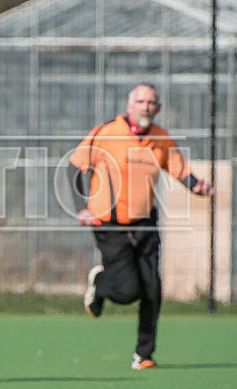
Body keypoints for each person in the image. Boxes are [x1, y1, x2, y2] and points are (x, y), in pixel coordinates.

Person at [68, 83, 214, 370]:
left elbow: (180, 170)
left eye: (152, 102)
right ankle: (100, 283)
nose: (146, 106)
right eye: (141, 101)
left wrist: (197, 186)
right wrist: (81, 208)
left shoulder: (161, 138)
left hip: (145, 220)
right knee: (127, 291)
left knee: (152, 288)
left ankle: (143, 354)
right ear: (129, 105)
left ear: (157, 108)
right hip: (108, 221)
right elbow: (74, 168)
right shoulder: (106, 133)